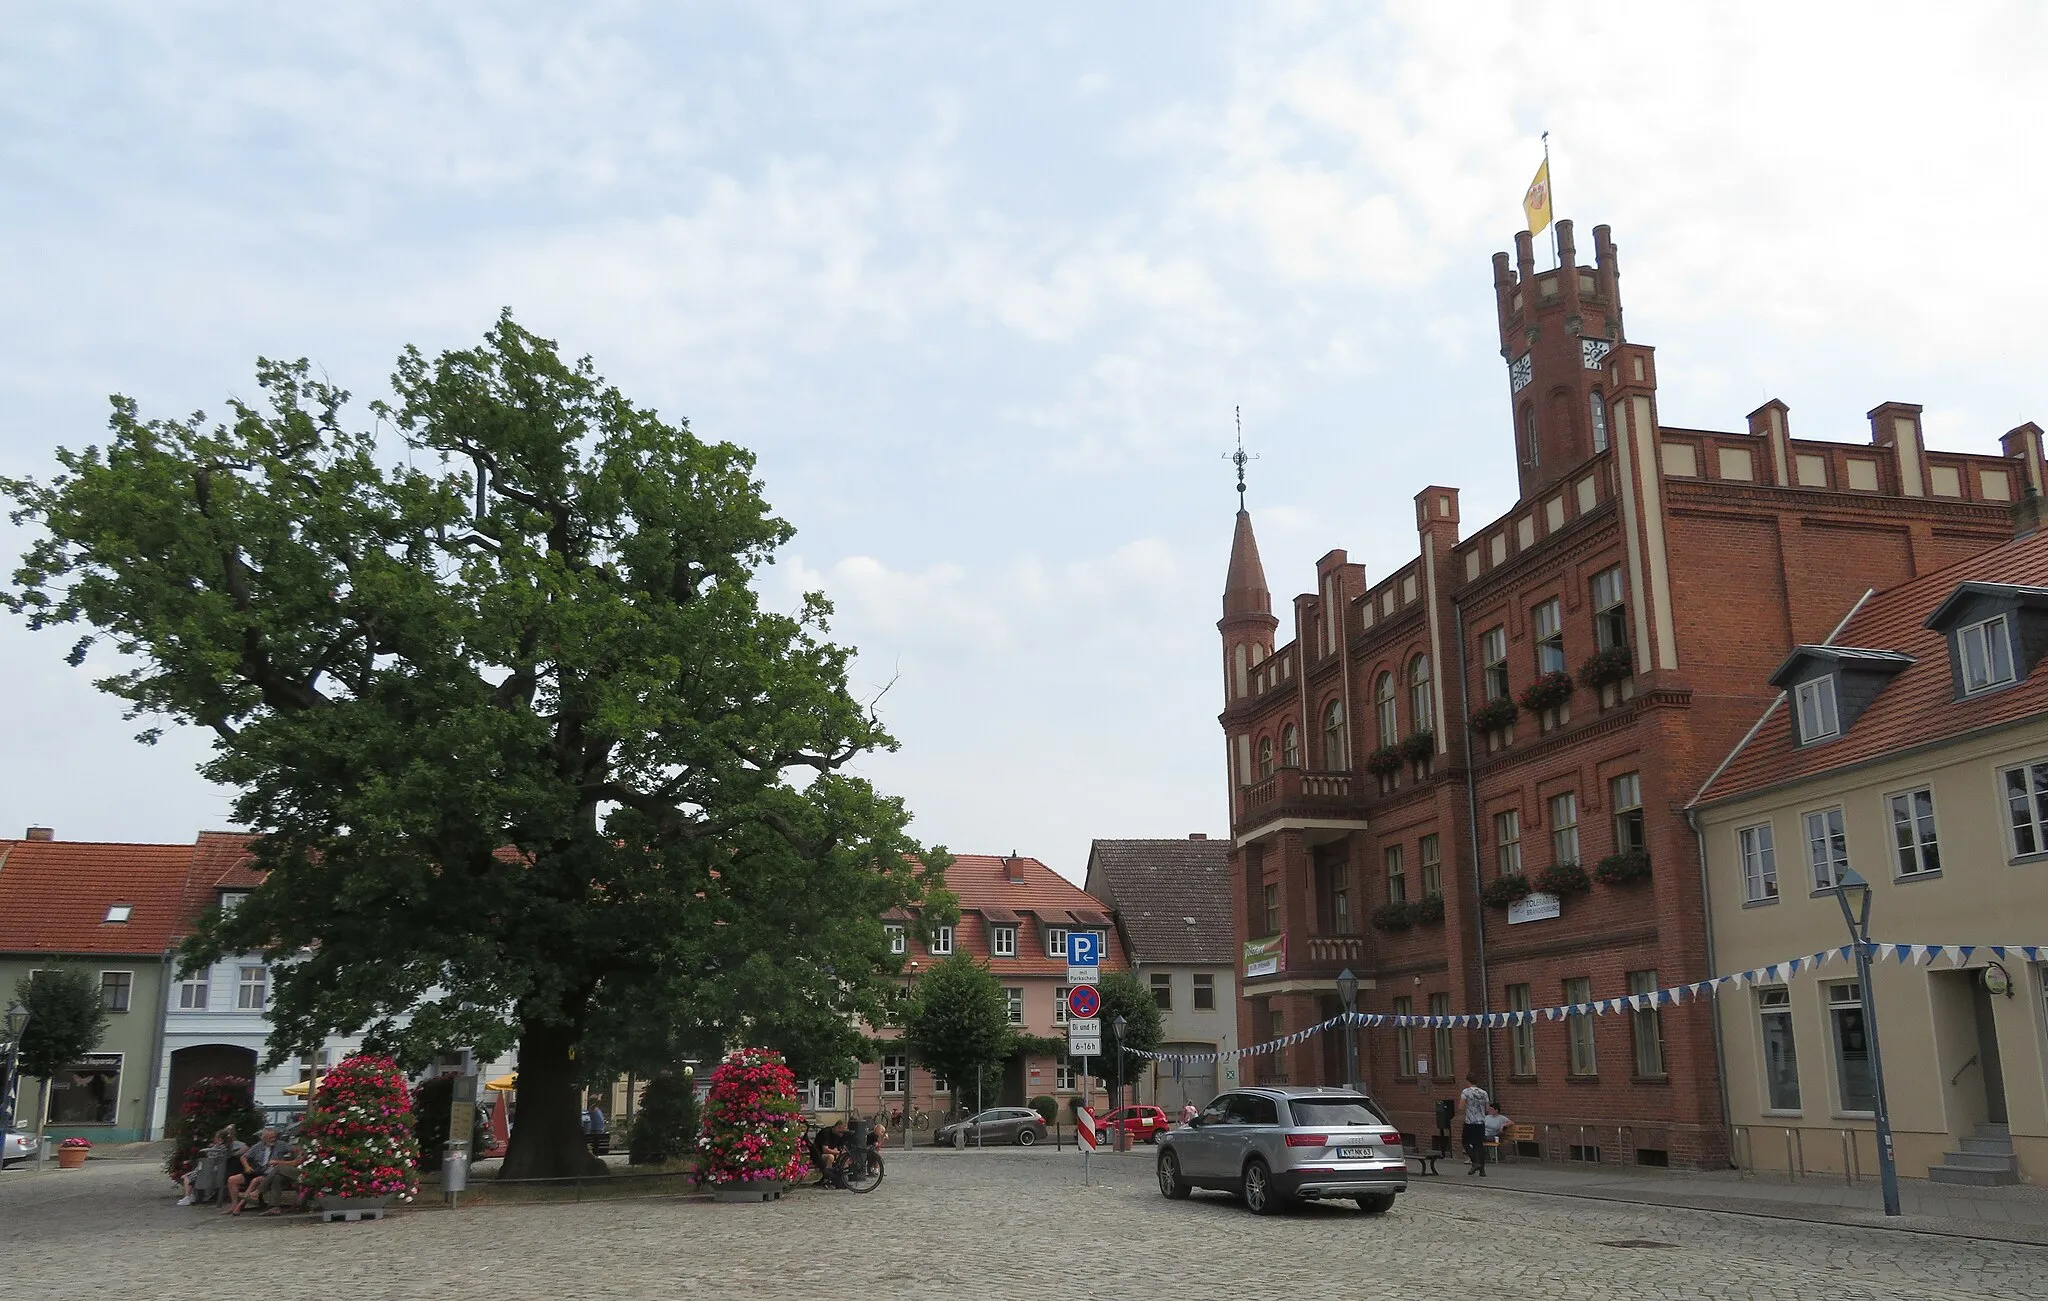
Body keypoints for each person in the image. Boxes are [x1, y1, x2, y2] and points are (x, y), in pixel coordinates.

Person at [175, 1127, 241, 1205]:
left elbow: (210, 1160)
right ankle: (190, 1195)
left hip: (210, 1170)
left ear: (219, 1139)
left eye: (216, 1137)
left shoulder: (218, 1148)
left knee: (187, 1178)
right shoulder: (226, 1148)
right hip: (216, 1170)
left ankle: (187, 1197)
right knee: (190, 1176)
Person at [225, 1126, 284, 1214]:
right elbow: (243, 1157)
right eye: (270, 1137)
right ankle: (234, 1205)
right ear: (263, 1138)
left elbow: (295, 1150)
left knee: (255, 1181)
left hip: (269, 1173)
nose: (273, 1139)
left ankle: (239, 1206)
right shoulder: (257, 1146)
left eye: (274, 1137)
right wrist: (247, 1167)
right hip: (256, 1170)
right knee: (232, 1180)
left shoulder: (280, 1145)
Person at [1458, 1075, 1490, 1176]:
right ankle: (1482, 1170)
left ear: (1468, 1081)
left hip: (1470, 1122)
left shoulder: (1466, 1092)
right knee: (1479, 1145)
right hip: (1481, 1122)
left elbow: (1461, 1107)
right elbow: (1487, 1108)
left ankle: (1475, 1162)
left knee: (1465, 1142)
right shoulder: (1483, 1093)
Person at [815, 1118, 849, 1186]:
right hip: (818, 1154)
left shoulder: (838, 1135)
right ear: (837, 1127)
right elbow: (825, 1150)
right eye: (841, 1131)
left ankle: (843, 1179)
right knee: (830, 1157)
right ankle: (827, 1179)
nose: (841, 1134)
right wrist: (837, 1152)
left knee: (844, 1157)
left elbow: (840, 1147)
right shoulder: (826, 1132)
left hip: (831, 1153)